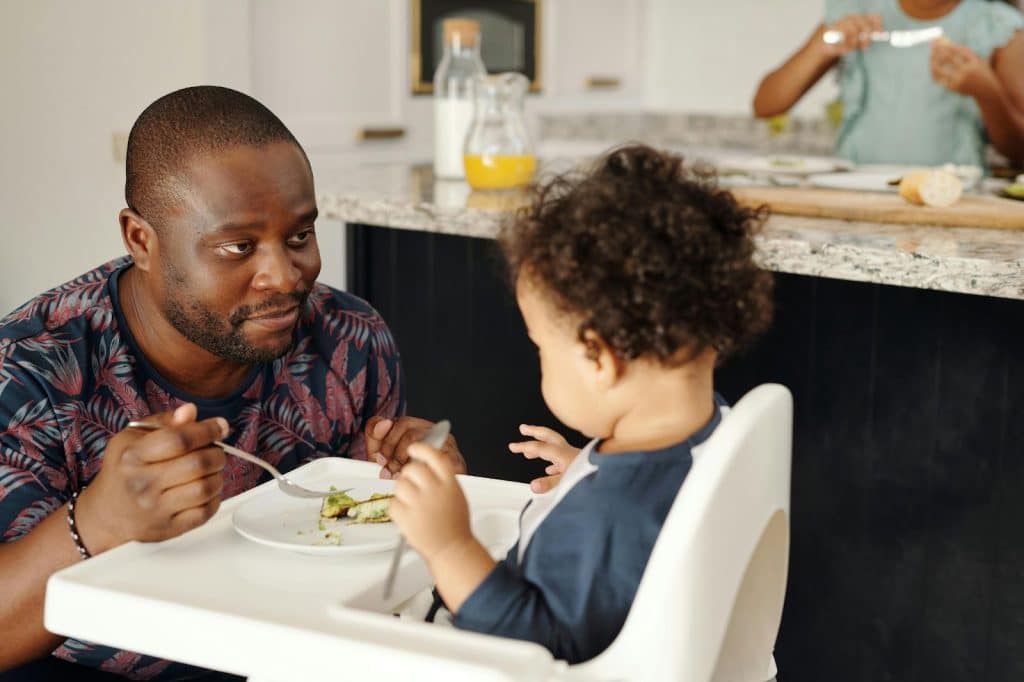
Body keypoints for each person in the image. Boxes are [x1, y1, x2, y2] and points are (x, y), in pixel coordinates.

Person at [0, 86, 463, 680]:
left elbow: (375, 565)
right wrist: (98, 524)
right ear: (141, 240)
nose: (283, 276)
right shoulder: (30, 371)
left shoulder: (350, 340)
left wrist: (427, 491)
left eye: (299, 236)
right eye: (237, 247)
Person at [387, 145, 775, 663]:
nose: (539, 358)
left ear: (600, 359)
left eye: (541, 345)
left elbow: (540, 647)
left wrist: (448, 544)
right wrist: (585, 468)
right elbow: (655, 503)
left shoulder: (614, 514)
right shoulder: (719, 427)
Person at [752, 0, 1024, 167]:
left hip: (950, 203)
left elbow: (1018, 151)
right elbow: (766, 105)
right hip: (855, 195)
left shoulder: (997, 26)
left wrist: (987, 93)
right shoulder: (855, 11)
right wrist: (823, 45)